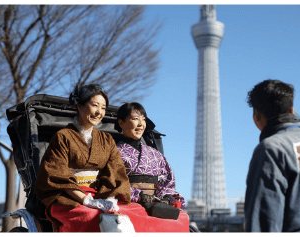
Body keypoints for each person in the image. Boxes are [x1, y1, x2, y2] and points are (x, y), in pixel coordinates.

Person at [35, 84, 131, 232]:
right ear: (80, 107)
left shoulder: (107, 139)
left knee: (127, 217)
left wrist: (109, 200)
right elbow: (56, 172)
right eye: (95, 105)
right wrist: (85, 200)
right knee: (90, 218)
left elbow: (116, 173)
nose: (99, 112)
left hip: (100, 196)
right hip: (68, 197)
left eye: (104, 108)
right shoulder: (63, 136)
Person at [244, 79, 300, 232]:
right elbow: (296, 119)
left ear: (256, 117)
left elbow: (262, 225)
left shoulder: (271, 149)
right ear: (292, 111)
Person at [114, 102, 190, 231]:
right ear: (121, 123)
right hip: (129, 203)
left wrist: (167, 197)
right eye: (135, 119)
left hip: (155, 204)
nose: (140, 124)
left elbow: (167, 182)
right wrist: (138, 196)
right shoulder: (114, 152)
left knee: (182, 218)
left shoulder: (155, 154)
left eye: (143, 119)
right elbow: (113, 182)